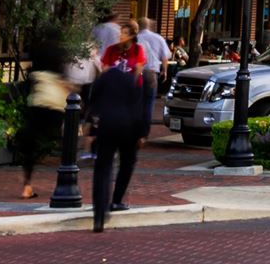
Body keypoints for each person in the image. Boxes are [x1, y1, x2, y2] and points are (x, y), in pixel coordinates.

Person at [87, 38, 150, 232]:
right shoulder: (133, 81)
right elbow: (140, 109)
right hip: (129, 126)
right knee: (127, 162)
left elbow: (93, 105)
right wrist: (141, 134)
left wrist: (92, 131)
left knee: (103, 169)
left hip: (107, 125)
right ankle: (116, 200)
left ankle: (99, 213)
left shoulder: (103, 79)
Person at [14, 28, 74, 202]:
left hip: (37, 96)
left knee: (31, 140)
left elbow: (31, 70)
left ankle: (27, 184)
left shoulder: (38, 49)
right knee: (63, 140)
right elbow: (63, 76)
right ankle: (65, 182)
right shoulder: (61, 51)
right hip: (54, 99)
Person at [136, 16, 174, 132]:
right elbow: (165, 56)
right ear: (148, 26)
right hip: (151, 72)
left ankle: (134, 128)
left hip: (137, 72)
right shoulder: (158, 38)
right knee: (148, 101)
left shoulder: (136, 38)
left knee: (137, 100)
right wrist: (165, 70)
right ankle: (144, 131)